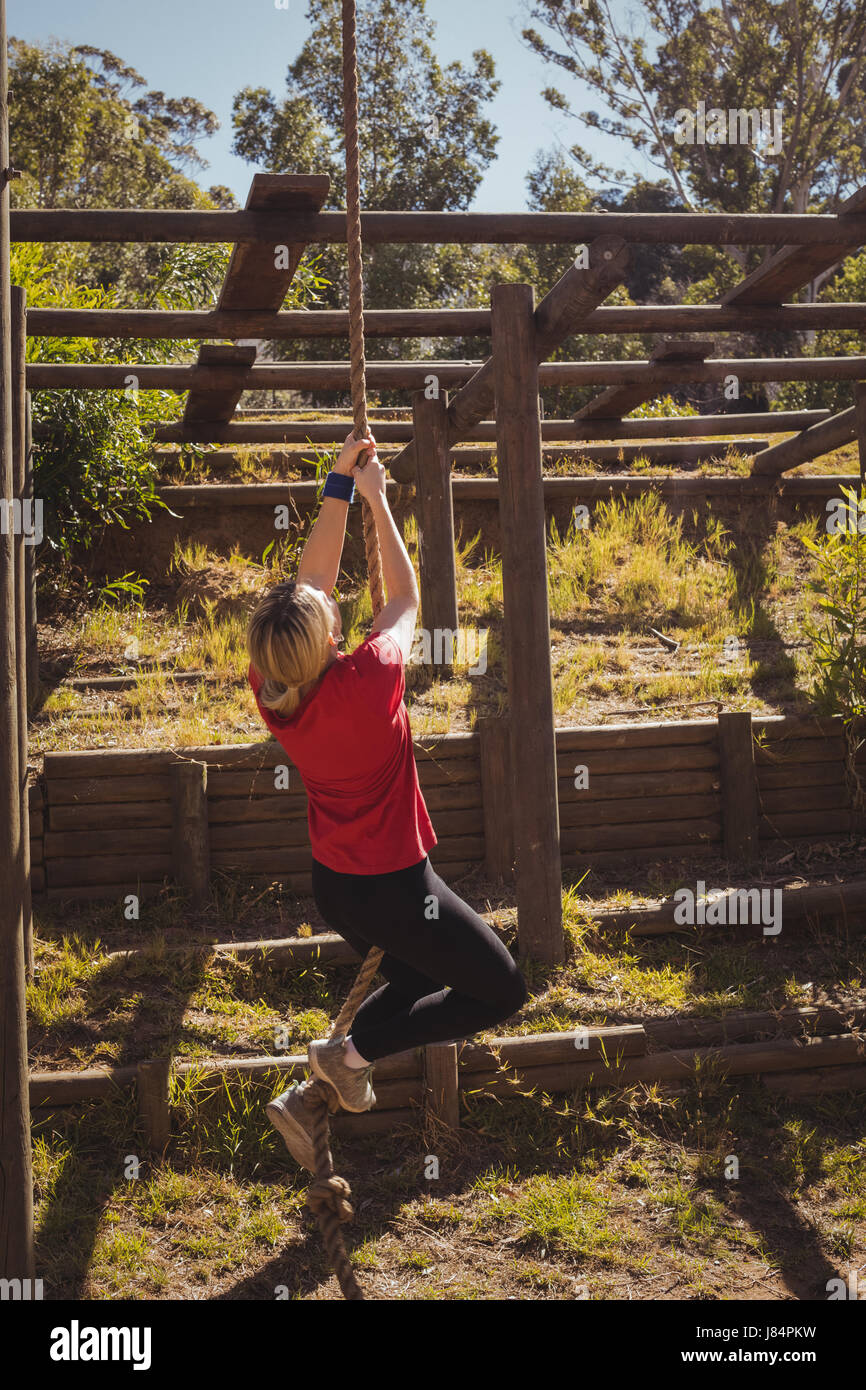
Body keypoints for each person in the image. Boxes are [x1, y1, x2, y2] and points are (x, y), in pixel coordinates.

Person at [246, 429, 528, 1172]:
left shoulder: (275, 690)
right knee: (499, 989)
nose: (332, 604)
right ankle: (349, 1056)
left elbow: (310, 590)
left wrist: (340, 482)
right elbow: (405, 596)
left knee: (418, 978)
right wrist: (376, 498)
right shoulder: (369, 682)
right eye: (328, 612)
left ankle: (331, 1073)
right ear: (329, 639)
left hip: (338, 887)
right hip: (397, 888)